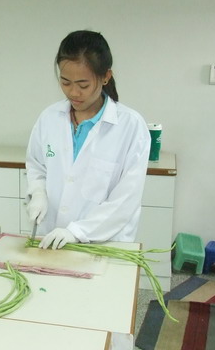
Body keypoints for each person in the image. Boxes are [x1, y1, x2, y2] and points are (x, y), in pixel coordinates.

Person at [26, 30, 151, 250]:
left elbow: (126, 199)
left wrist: (77, 232)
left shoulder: (131, 126)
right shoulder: (49, 118)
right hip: (52, 238)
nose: (73, 93)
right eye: (65, 82)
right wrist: (38, 192)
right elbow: (37, 165)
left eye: (83, 85)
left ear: (106, 76)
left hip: (103, 244)